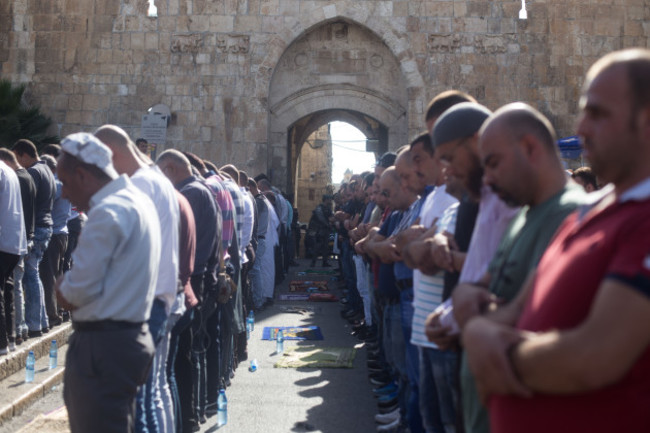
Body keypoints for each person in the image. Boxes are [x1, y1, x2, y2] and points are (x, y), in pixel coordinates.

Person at [463, 48, 650, 433]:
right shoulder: (587, 214)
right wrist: (480, 331)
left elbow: (595, 355)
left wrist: (495, 356)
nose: (580, 127)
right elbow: (515, 311)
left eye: (597, 113)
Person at [442, 103, 586, 433]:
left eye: (493, 163)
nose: (488, 178)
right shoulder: (523, 214)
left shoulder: (569, 217)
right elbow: (489, 286)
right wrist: (467, 296)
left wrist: (475, 323)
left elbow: (547, 323)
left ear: (530, 148)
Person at [55, 132, 160, 433]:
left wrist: (63, 286)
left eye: (64, 182)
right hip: (126, 339)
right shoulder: (136, 201)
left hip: (103, 347)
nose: (63, 194)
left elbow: (76, 292)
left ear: (82, 175)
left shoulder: (107, 213)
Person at [94, 124, 180, 433]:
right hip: (160, 298)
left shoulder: (141, 185)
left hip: (142, 306)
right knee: (150, 398)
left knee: (137, 406)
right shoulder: (157, 180)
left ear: (113, 154)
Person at [12, 139, 56, 338]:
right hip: (46, 226)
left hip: (36, 227)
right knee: (34, 275)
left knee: (30, 276)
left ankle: (33, 324)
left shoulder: (33, 172)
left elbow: (28, 203)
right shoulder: (46, 169)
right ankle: (42, 321)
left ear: (23, 155)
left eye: (18, 159)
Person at [0, 148, 36, 345]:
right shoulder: (10, 172)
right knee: (8, 289)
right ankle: (10, 338)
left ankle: (2, 342)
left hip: (4, 240)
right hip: (14, 241)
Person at [38, 155, 71, 328]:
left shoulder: (56, 184)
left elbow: (46, 207)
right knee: (57, 274)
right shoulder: (63, 183)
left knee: (49, 275)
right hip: (63, 231)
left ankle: (52, 314)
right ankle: (59, 310)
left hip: (55, 233)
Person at [308, 194, 333, 267]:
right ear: (326, 199)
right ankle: (313, 262)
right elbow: (320, 218)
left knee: (326, 247)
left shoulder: (328, 208)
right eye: (329, 199)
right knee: (318, 246)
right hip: (320, 230)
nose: (330, 200)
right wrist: (328, 224)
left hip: (326, 230)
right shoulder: (319, 208)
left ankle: (324, 262)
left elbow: (331, 216)